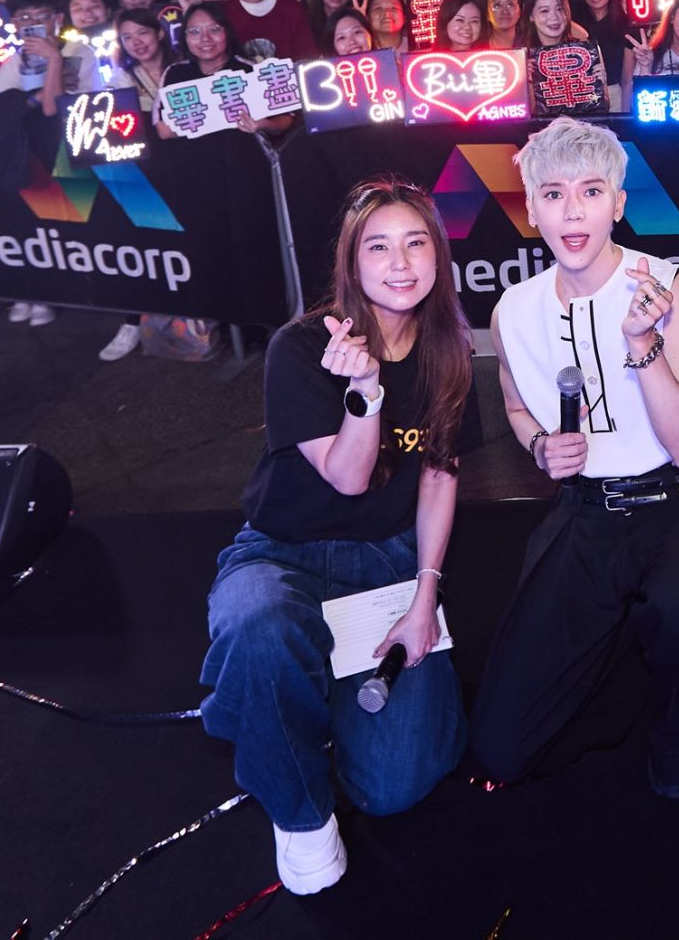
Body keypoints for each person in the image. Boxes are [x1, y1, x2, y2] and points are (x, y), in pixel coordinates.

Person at [199, 179, 476, 895]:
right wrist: (366, 396)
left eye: (415, 243)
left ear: (438, 255)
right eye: (377, 247)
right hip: (281, 549)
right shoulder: (302, 345)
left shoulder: (449, 350)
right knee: (257, 624)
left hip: (385, 561)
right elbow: (348, 479)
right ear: (351, 262)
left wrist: (425, 597)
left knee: (396, 785)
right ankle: (300, 811)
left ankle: (272, 698)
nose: (400, 263)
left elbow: (440, 478)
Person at [469, 118, 679, 799]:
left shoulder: (674, 289)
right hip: (587, 512)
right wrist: (541, 445)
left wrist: (642, 345)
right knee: (502, 749)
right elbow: (516, 407)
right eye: (554, 194)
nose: (573, 212)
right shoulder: (512, 310)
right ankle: (625, 648)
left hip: (677, 502)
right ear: (531, 210)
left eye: (591, 192)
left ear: (618, 204)